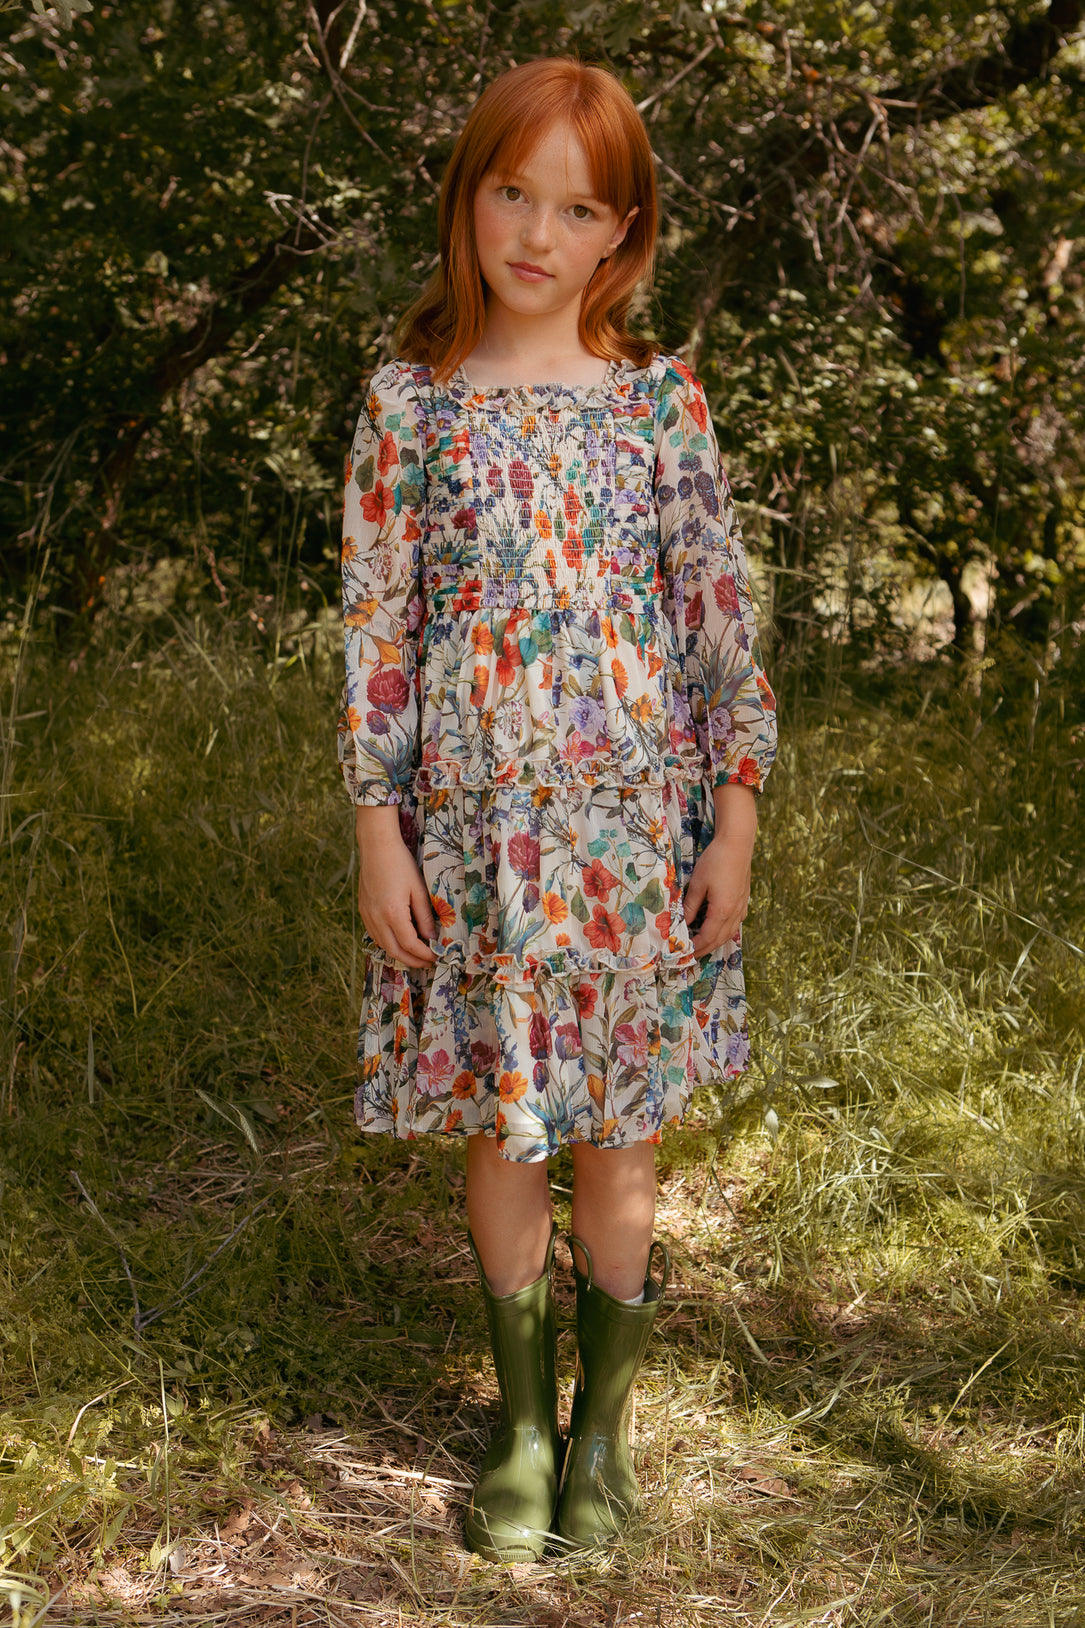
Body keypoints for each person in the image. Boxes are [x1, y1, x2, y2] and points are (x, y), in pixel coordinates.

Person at [338, 57, 777, 1562]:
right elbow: (377, 633)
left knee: (619, 1135)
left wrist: (733, 822)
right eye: (509, 190)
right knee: (506, 1121)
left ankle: (604, 1435)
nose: (535, 230)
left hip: (630, 844)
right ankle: (523, 1422)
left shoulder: (656, 403)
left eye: (574, 205)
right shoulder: (410, 407)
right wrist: (377, 825)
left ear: (621, 233)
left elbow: (717, 618)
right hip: (475, 840)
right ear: (467, 197)